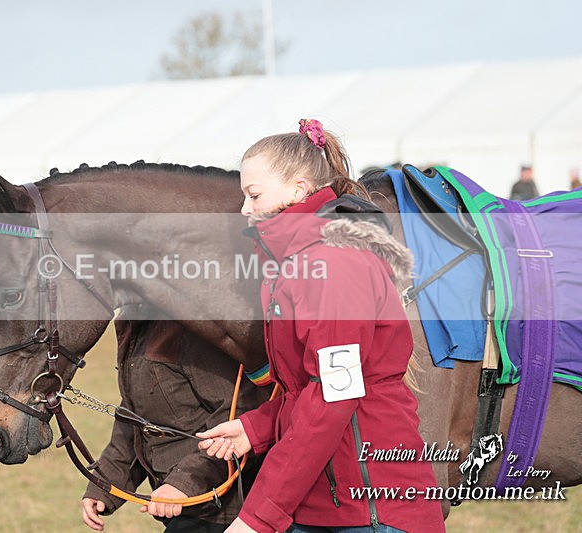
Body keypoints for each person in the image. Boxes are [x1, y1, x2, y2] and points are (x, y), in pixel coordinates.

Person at [197, 119, 445, 533]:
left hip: (371, 511)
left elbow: (334, 398)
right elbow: (312, 388)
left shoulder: (330, 265)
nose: (244, 209)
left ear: (298, 188)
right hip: (330, 503)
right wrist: (255, 428)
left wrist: (258, 516)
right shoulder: (296, 264)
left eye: (254, 195)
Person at [82, 304, 270, 533]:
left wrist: (182, 484)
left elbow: (238, 410)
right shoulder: (132, 323)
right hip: (184, 506)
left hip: (223, 512)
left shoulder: (194, 330)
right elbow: (136, 416)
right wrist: (104, 486)